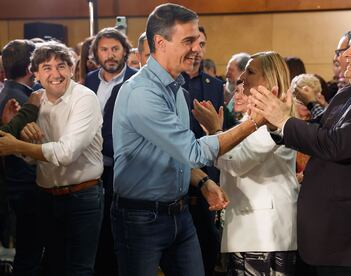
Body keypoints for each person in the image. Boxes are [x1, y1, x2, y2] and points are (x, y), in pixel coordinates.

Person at [250, 20, 351, 276]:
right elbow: (321, 130)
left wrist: (284, 120)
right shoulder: (350, 93)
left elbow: (338, 144)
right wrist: (276, 123)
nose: (344, 55)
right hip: (337, 238)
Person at [111, 3, 263, 275]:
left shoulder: (176, 89)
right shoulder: (141, 93)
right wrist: (255, 122)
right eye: (188, 40)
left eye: (197, 41)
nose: (197, 49)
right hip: (141, 218)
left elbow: (176, 154)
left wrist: (203, 181)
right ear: (160, 42)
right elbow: (193, 152)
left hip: (180, 214)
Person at [0, 41, 104, 276]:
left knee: (79, 270)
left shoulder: (84, 98)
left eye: (61, 66)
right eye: (47, 67)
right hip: (46, 197)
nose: (55, 74)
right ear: (34, 73)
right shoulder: (38, 102)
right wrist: (24, 143)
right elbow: (34, 160)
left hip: (83, 197)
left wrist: (19, 144)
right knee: (54, 267)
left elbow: (66, 153)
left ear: (71, 68)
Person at [196, 51, 299, 276]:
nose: (241, 78)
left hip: (265, 235)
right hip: (247, 232)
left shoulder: (275, 123)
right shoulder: (248, 123)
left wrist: (215, 130)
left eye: (250, 72)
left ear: (270, 81)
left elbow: (236, 162)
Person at [85, 27, 137, 276]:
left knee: (123, 230)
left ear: (125, 51)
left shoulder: (136, 81)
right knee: (99, 229)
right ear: (96, 54)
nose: (111, 55)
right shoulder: (90, 80)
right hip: (94, 168)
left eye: (115, 48)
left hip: (125, 165)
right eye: (104, 49)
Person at [182, 25, 224, 276]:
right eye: (192, 44)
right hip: (177, 172)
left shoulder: (215, 85)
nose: (197, 51)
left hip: (206, 173)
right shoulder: (172, 82)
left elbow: (219, 130)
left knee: (208, 244)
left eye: (203, 45)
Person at [0, 39, 45, 276]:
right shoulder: (23, 99)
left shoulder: (9, 92)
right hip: (23, 189)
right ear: (31, 68)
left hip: (17, 189)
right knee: (28, 256)